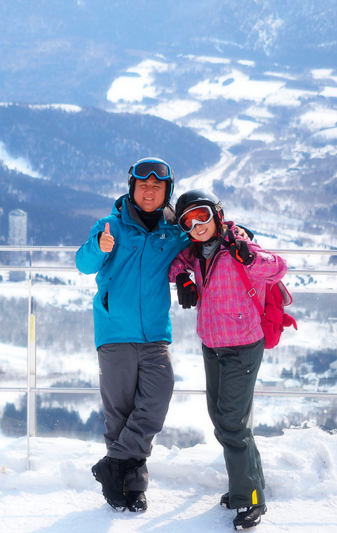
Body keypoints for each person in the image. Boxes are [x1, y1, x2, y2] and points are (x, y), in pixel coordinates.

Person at [75, 157, 189, 513]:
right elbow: (82, 263)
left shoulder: (174, 232)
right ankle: (131, 487)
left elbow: (205, 237)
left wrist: (238, 233)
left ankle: (112, 466)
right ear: (132, 189)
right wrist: (99, 247)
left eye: (157, 186)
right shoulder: (110, 226)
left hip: (155, 334)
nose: (149, 191)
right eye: (143, 186)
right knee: (120, 413)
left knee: (157, 398)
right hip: (114, 331)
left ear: (167, 191)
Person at [168, 190, 287, 530]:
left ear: (217, 214)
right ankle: (245, 483)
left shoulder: (238, 244)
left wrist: (248, 257)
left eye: (202, 216)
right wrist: (182, 277)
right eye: (187, 222)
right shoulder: (195, 251)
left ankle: (250, 498)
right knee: (221, 420)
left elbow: (278, 267)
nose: (196, 225)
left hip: (243, 345)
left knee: (232, 423)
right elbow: (175, 263)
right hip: (212, 344)